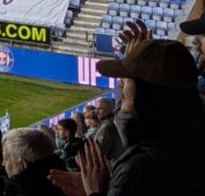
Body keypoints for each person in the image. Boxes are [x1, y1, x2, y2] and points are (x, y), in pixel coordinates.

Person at [52, 34, 205, 196]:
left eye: (128, 78)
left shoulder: (141, 167)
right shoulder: (189, 138)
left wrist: (96, 192)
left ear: (146, 93)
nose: (120, 83)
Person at [1, 127, 63, 196]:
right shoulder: (67, 183)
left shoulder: (20, 190)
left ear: (23, 164)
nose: (3, 164)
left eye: (6, 159)